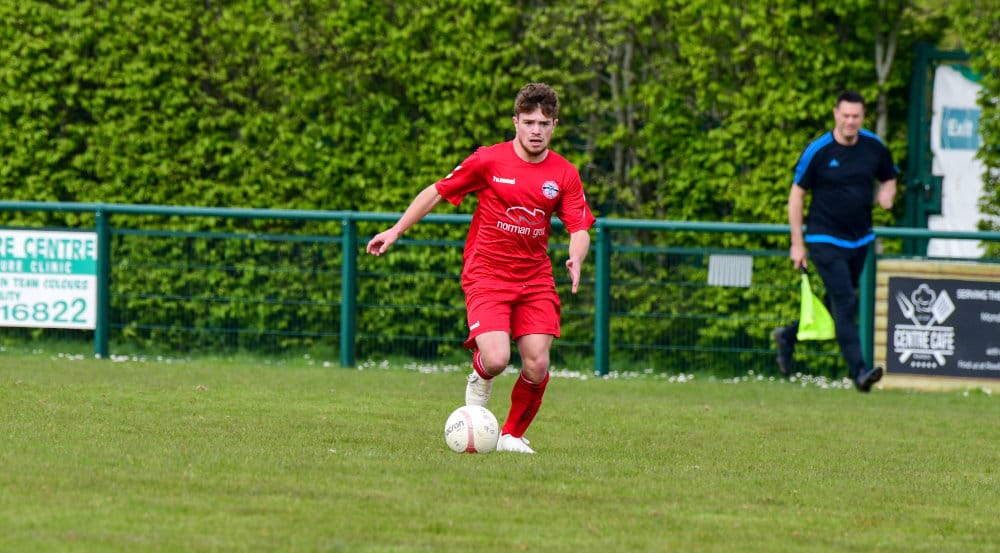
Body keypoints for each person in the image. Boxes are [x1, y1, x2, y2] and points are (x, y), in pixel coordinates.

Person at [366, 83, 596, 452]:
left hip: (535, 278)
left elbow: (579, 227)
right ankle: (480, 373)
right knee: (497, 358)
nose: (536, 130)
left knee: (537, 364)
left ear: (554, 126)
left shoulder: (564, 174)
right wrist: (395, 230)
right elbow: (438, 190)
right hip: (487, 273)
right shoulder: (489, 160)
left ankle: (511, 436)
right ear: (515, 122)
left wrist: (576, 257)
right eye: (529, 122)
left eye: (544, 123)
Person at [773, 90, 897, 393]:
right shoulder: (818, 150)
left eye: (856, 116)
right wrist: (797, 243)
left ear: (862, 117)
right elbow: (796, 196)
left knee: (834, 304)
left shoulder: (873, 147)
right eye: (846, 116)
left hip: (860, 240)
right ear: (835, 115)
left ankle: (788, 336)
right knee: (845, 301)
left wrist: (887, 193)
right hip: (824, 238)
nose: (850, 121)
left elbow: (889, 176)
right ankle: (860, 372)